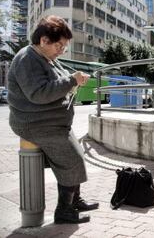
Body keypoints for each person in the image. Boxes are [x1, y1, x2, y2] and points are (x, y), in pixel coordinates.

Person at [8, 15, 98, 224]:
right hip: (35, 124)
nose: (62, 51)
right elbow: (38, 93)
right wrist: (71, 80)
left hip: (51, 123)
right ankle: (64, 211)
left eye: (64, 47)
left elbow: (61, 81)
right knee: (72, 159)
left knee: (76, 155)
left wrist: (73, 81)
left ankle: (74, 200)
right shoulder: (27, 59)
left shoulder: (46, 58)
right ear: (44, 40)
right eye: (59, 46)